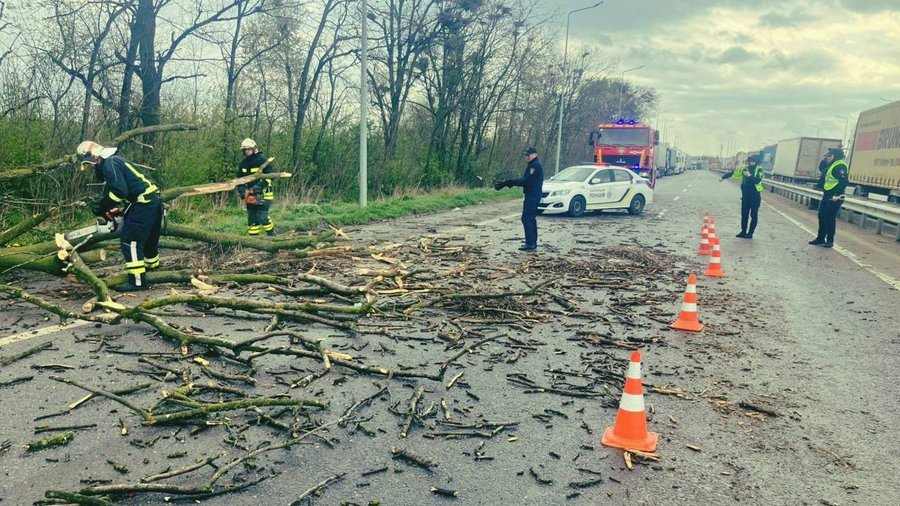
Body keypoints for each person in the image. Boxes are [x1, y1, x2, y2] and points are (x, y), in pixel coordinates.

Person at [76, 141, 162, 292]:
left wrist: (102, 207)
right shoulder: (116, 162)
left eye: (90, 165)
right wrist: (115, 208)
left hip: (143, 203)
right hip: (150, 201)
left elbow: (119, 191)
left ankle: (137, 282)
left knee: (131, 241)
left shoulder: (110, 163)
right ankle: (152, 267)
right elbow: (124, 189)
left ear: (95, 158)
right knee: (148, 238)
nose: (93, 168)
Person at [494, 146, 544, 251]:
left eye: (528, 155)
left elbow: (526, 181)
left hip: (532, 195)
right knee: (530, 218)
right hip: (533, 195)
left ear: (535, 155)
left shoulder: (534, 166)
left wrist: (509, 182)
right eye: (526, 155)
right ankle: (532, 242)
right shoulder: (533, 165)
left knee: (527, 218)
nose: (526, 157)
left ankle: (530, 243)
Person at [809, 148, 849, 248]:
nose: (828, 157)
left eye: (830, 156)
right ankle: (820, 238)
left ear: (835, 156)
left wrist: (837, 195)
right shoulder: (831, 164)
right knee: (822, 216)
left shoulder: (840, 166)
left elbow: (844, 182)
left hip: (835, 196)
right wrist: (825, 159)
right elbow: (821, 168)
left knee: (829, 218)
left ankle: (830, 240)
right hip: (827, 194)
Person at [236, 138, 276, 236]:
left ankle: (272, 235)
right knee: (252, 219)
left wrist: (258, 187)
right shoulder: (243, 163)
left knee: (262, 216)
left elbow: (271, 176)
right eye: (245, 150)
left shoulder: (262, 160)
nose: (246, 151)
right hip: (250, 195)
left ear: (254, 149)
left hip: (263, 194)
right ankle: (254, 242)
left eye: (248, 149)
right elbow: (239, 179)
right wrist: (242, 191)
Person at [719, 153, 763, 239]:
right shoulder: (745, 168)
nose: (751, 163)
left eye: (753, 161)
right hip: (745, 196)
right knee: (744, 214)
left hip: (755, 197)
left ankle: (750, 233)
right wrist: (723, 177)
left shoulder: (759, 169)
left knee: (753, 215)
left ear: (756, 161)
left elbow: (757, 180)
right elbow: (734, 173)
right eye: (750, 161)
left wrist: (749, 175)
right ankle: (743, 232)